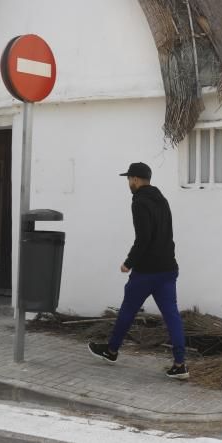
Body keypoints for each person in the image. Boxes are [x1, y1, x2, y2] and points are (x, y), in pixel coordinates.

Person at [88, 162, 189, 379]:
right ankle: (180, 364)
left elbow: (143, 238)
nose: (128, 183)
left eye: (129, 179)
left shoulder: (139, 202)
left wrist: (129, 262)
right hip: (168, 268)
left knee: (127, 311)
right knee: (172, 316)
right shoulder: (162, 200)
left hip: (146, 272)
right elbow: (166, 234)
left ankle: (111, 350)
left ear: (135, 179)